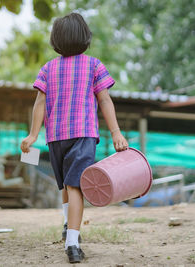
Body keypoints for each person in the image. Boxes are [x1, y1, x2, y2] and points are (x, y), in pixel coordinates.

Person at [20, 12, 128, 263]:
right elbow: (104, 100)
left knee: (69, 186)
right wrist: (116, 133)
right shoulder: (94, 65)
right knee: (72, 186)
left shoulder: (48, 68)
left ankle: (70, 234)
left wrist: (33, 134)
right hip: (83, 134)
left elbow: (39, 103)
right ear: (85, 38)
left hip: (55, 136)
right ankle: (71, 236)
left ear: (55, 41)